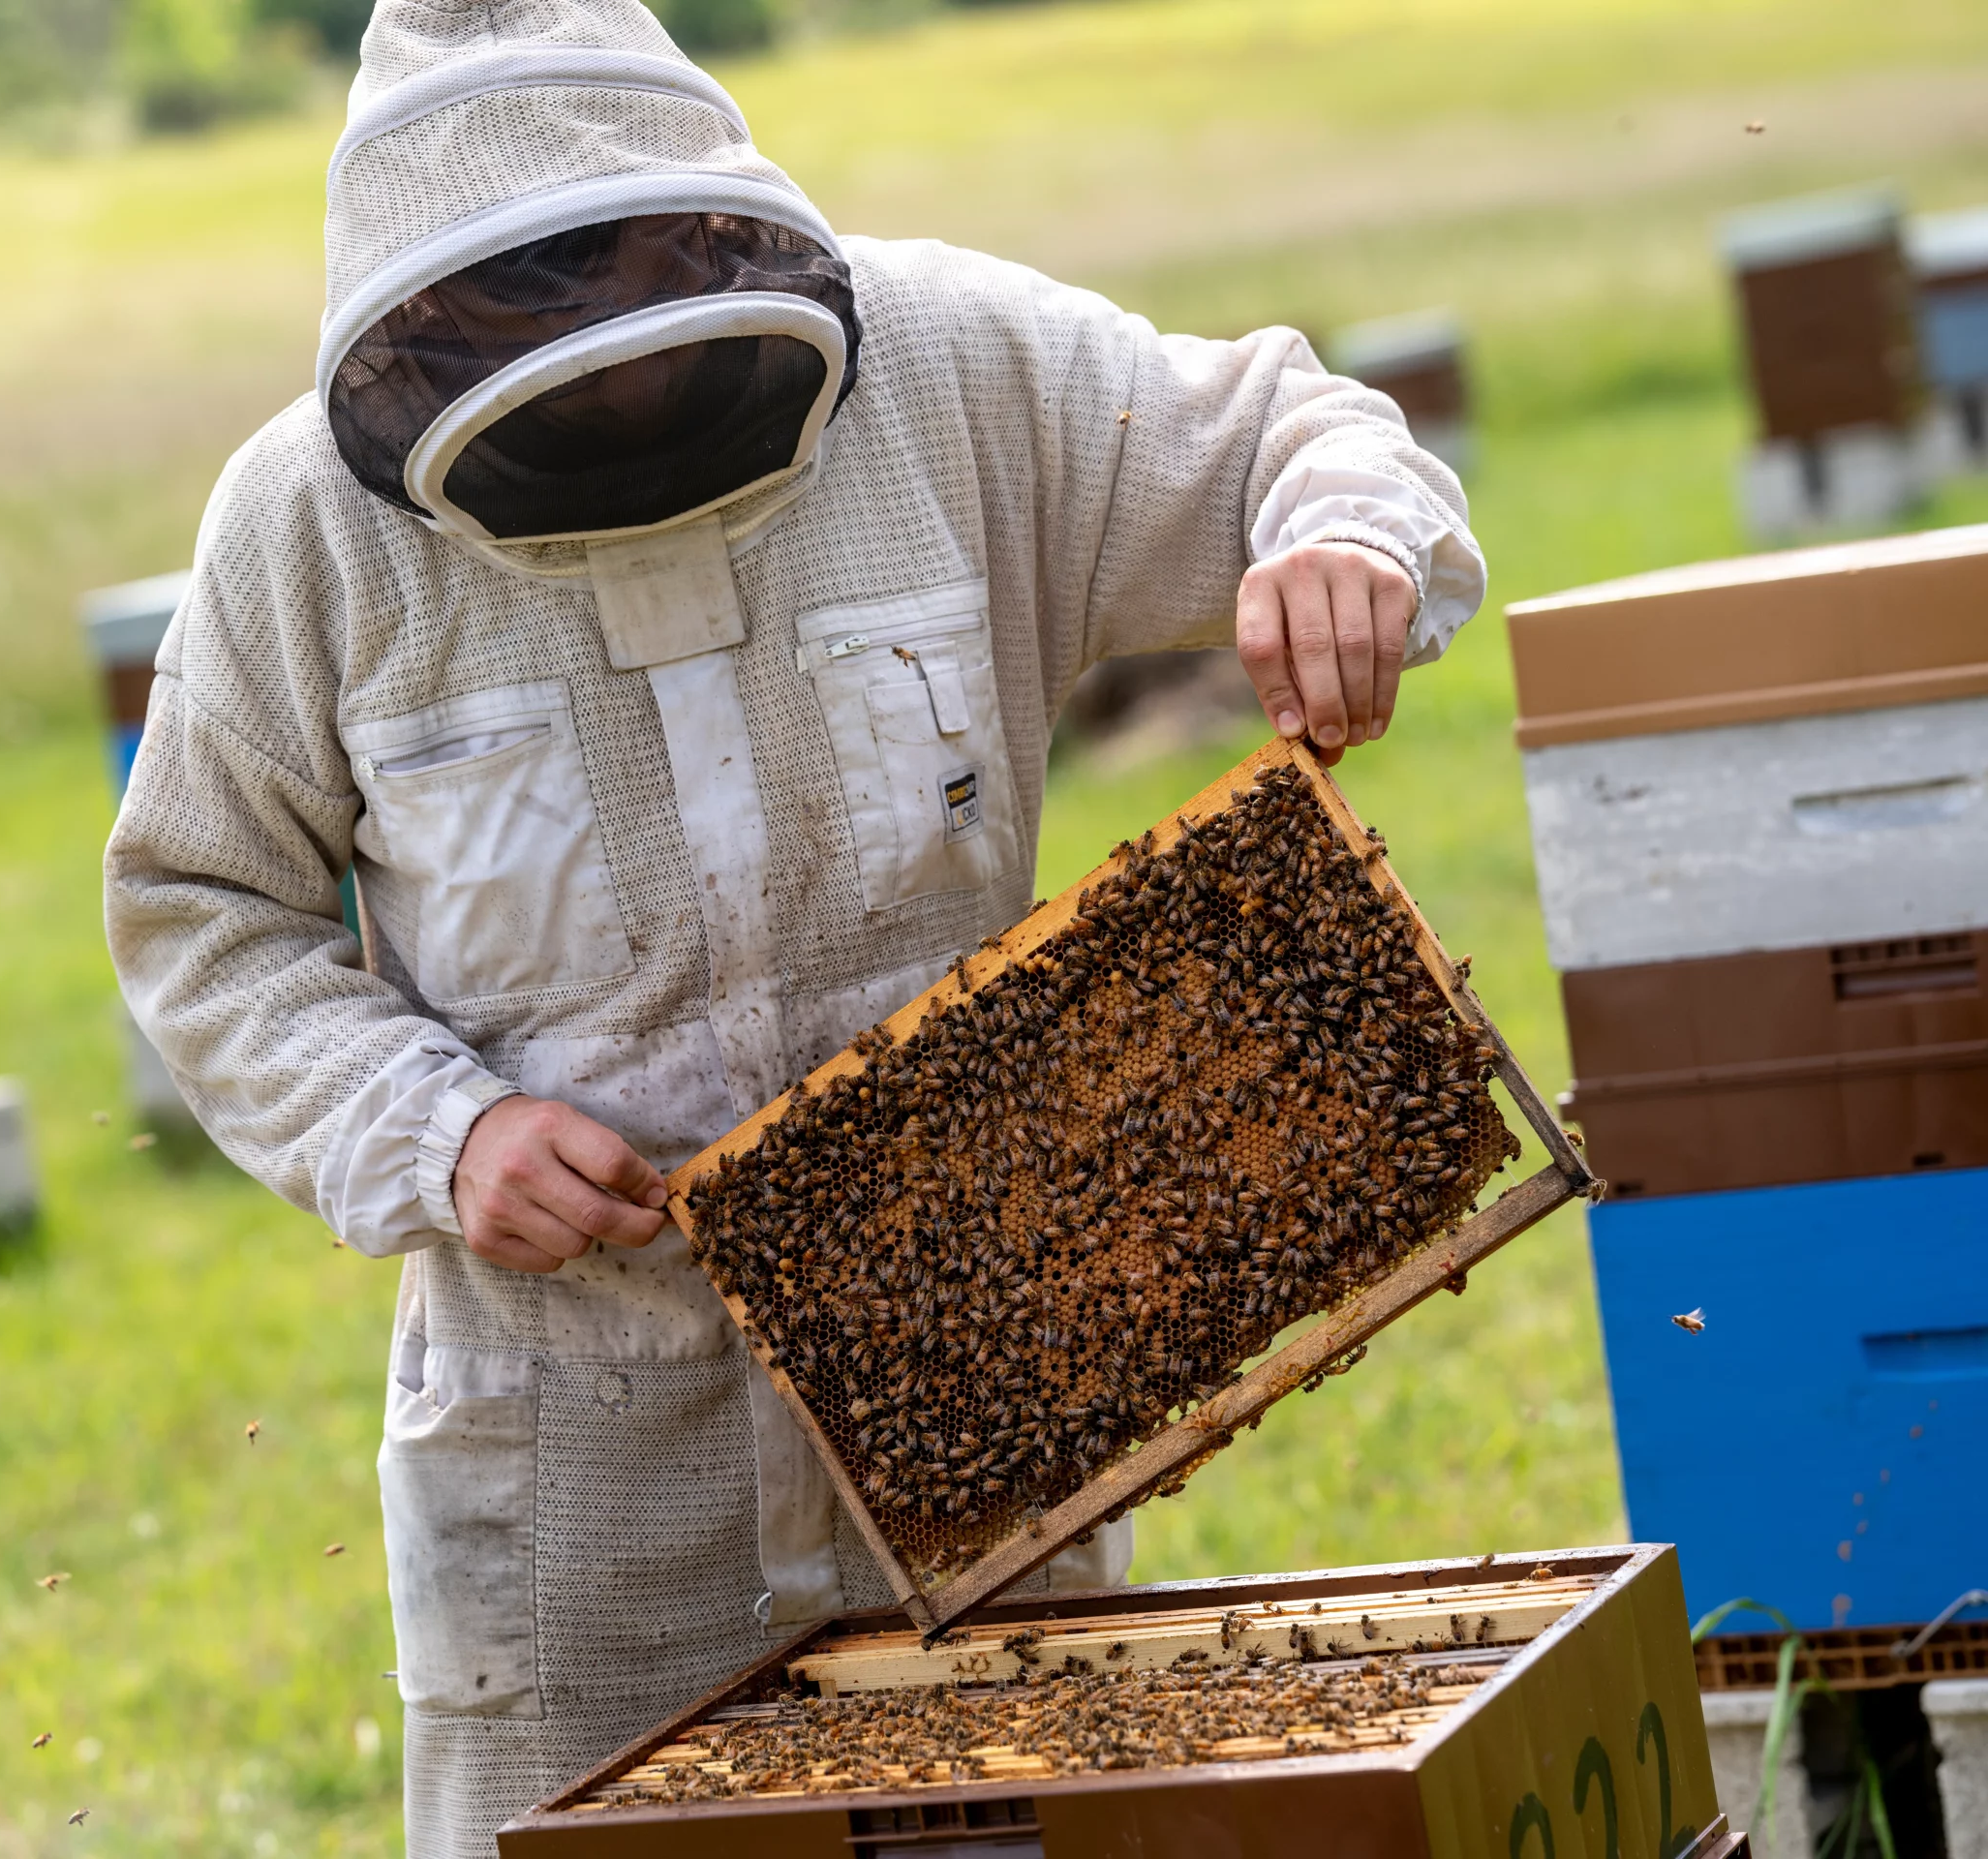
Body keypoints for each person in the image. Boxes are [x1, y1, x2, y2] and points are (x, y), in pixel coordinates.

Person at [103, 0, 1485, 1849]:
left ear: (715, 229)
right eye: (534, 332)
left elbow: (1292, 437)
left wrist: (1341, 541)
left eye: (630, 315)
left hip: (980, 1384)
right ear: (420, 329)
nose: (600, 379)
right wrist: (438, 1133)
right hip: (587, 1467)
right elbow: (204, 908)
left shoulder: (953, 368)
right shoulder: (306, 531)